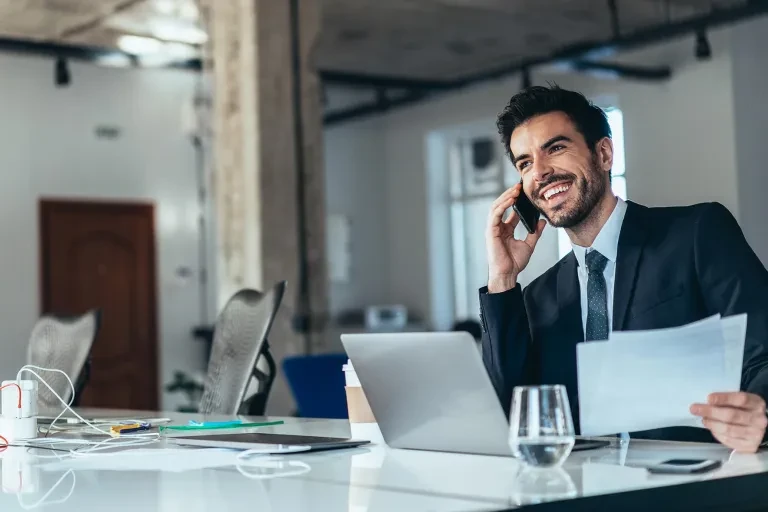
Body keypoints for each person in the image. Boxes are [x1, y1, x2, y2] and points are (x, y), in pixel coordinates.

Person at [480, 85, 768, 453]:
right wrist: (502, 280)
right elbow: (512, 413)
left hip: (696, 486)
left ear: (603, 153)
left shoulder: (697, 234)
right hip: (584, 494)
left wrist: (761, 409)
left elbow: (763, 349)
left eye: (556, 148)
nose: (540, 172)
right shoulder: (540, 296)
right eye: (524, 163)